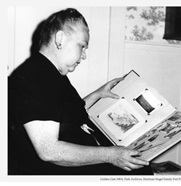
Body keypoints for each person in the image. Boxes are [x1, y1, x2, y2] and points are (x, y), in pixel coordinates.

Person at [8, 8, 153, 175]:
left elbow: (62, 114)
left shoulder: (50, 73)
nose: (84, 56)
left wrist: (97, 94)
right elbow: (49, 151)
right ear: (60, 39)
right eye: (82, 46)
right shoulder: (36, 76)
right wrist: (111, 155)